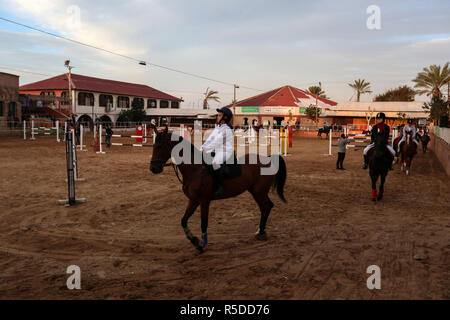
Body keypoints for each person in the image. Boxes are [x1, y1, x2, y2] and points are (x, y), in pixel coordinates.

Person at [200, 107, 234, 196]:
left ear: (225, 118)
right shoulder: (218, 128)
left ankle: (220, 186)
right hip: (217, 150)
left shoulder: (226, 129)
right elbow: (210, 140)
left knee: (215, 162)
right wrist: (201, 148)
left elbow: (217, 142)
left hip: (226, 151)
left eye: (219, 115)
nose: (217, 117)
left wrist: (206, 149)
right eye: (218, 115)